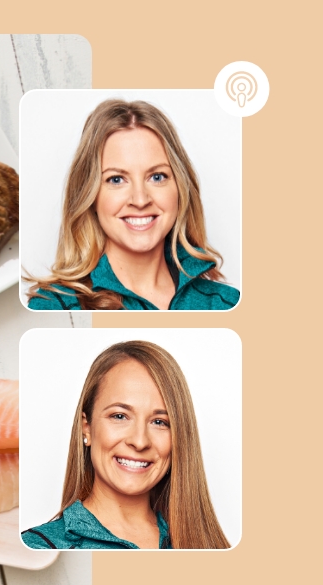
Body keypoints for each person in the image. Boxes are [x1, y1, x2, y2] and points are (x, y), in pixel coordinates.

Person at [25, 100, 239, 310]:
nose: (140, 200)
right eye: (116, 179)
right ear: (90, 197)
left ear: (180, 189)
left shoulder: (225, 303)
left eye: (157, 177)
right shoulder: (53, 306)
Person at [22, 341, 229, 549]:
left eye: (159, 422)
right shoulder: (37, 547)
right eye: (120, 416)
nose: (139, 442)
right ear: (86, 428)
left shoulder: (210, 546)